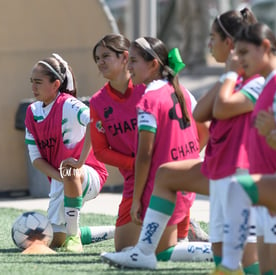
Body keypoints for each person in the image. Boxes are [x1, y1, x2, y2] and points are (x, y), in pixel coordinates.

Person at [101, 8, 263, 273]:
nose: (208, 44)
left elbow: (220, 109)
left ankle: (145, 251)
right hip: (219, 170)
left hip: (242, 175)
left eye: (212, 37)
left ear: (229, 44)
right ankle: (143, 252)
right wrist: (228, 73)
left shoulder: (252, 81)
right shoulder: (228, 79)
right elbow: (201, 114)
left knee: (252, 262)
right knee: (168, 177)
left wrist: (232, 74)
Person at [100, 35, 212, 267]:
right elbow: (205, 130)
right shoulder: (176, 87)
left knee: (158, 252)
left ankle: (229, 248)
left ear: (153, 64)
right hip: (185, 182)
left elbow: (144, 156)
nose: (128, 67)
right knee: (162, 251)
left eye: (133, 61)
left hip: (163, 187)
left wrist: (138, 199)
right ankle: (227, 248)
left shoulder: (149, 98)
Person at [24, 54, 108, 252]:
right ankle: (116, 231)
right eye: (31, 82)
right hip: (61, 181)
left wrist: (79, 162)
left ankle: (74, 238)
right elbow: (36, 159)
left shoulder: (68, 104)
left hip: (90, 175)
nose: (33, 87)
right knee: (53, 240)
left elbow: (95, 122)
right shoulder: (32, 112)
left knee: (70, 170)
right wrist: (59, 177)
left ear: (55, 84)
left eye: (38, 82)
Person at [227, 22, 276, 275]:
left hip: (271, 187)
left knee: (237, 188)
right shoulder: (267, 82)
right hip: (267, 188)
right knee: (267, 269)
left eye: (244, 52)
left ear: (266, 47)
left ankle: (226, 267)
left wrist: (273, 133)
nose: (237, 58)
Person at [89, 33, 146, 251]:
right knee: (123, 249)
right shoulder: (98, 102)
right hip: (134, 180)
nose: (100, 62)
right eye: (97, 58)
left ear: (124, 57)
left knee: (163, 250)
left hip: (163, 176)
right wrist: (137, 164)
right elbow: (101, 151)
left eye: (105, 56)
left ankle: (185, 228)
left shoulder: (148, 88)